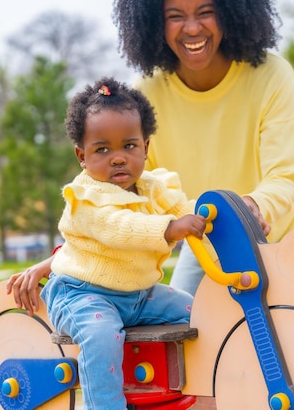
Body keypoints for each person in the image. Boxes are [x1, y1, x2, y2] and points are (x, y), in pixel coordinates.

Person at [7, 0, 294, 311]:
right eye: (175, 16)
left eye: (206, 12)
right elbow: (121, 203)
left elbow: (284, 177)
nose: (192, 28)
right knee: (187, 333)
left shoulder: (271, 74)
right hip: (207, 232)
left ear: (231, 11)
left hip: (286, 223)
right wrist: (58, 263)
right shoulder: (145, 97)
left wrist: (250, 208)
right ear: (154, 22)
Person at [38, 77, 206, 410]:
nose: (118, 158)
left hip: (139, 294)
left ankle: (195, 393)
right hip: (82, 293)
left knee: (199, 313)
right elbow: (119, 228)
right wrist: (170, 228)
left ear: (145, 146)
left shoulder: (154, 187)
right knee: (100, 338)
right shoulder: (85, 198)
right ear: (81, 156)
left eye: (129, 146)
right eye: (102, 149)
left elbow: (185, 209)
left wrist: (220, 217)